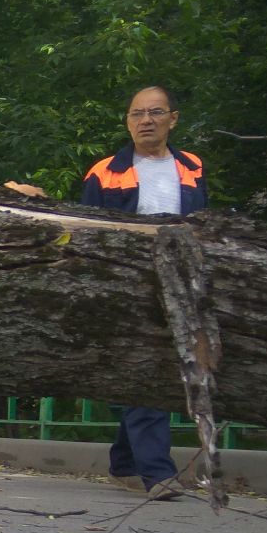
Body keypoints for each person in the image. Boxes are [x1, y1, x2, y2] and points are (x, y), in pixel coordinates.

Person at [81, 86, 208, 499]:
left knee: (153, 373)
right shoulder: (104, 172)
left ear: (173, 118)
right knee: (146, 370)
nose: (145, 121)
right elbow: (87, 235)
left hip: (178, 285)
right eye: (137, 114)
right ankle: (157, 473)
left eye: (155, 112)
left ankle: (124, 463)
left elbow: (201, 226)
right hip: (127, 284)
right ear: (128, 121)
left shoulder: (192, 166)